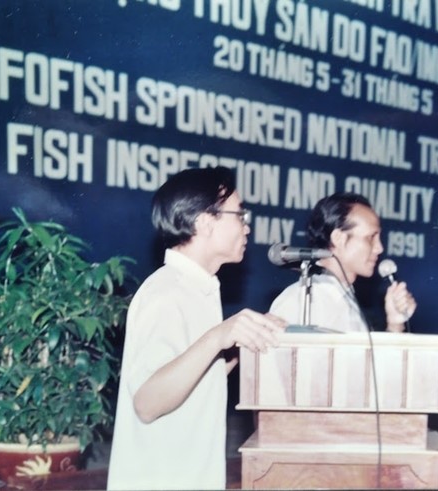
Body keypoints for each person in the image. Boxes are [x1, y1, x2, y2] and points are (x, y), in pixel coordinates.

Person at [107, 167, 286, 490]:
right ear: (205, 222)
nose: (246, 227)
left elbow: (191, 375)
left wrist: (242, 345)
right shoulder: (166, 292)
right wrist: (218, 337)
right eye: (239, 215)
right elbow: (147, 403)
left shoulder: (196, 288)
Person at [270, 192, 416, 333]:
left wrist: (395, 324)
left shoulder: (348, 301)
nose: (379, 248)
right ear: (339, 238)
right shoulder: (298, 301)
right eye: (371, 237)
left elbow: (369, 359)